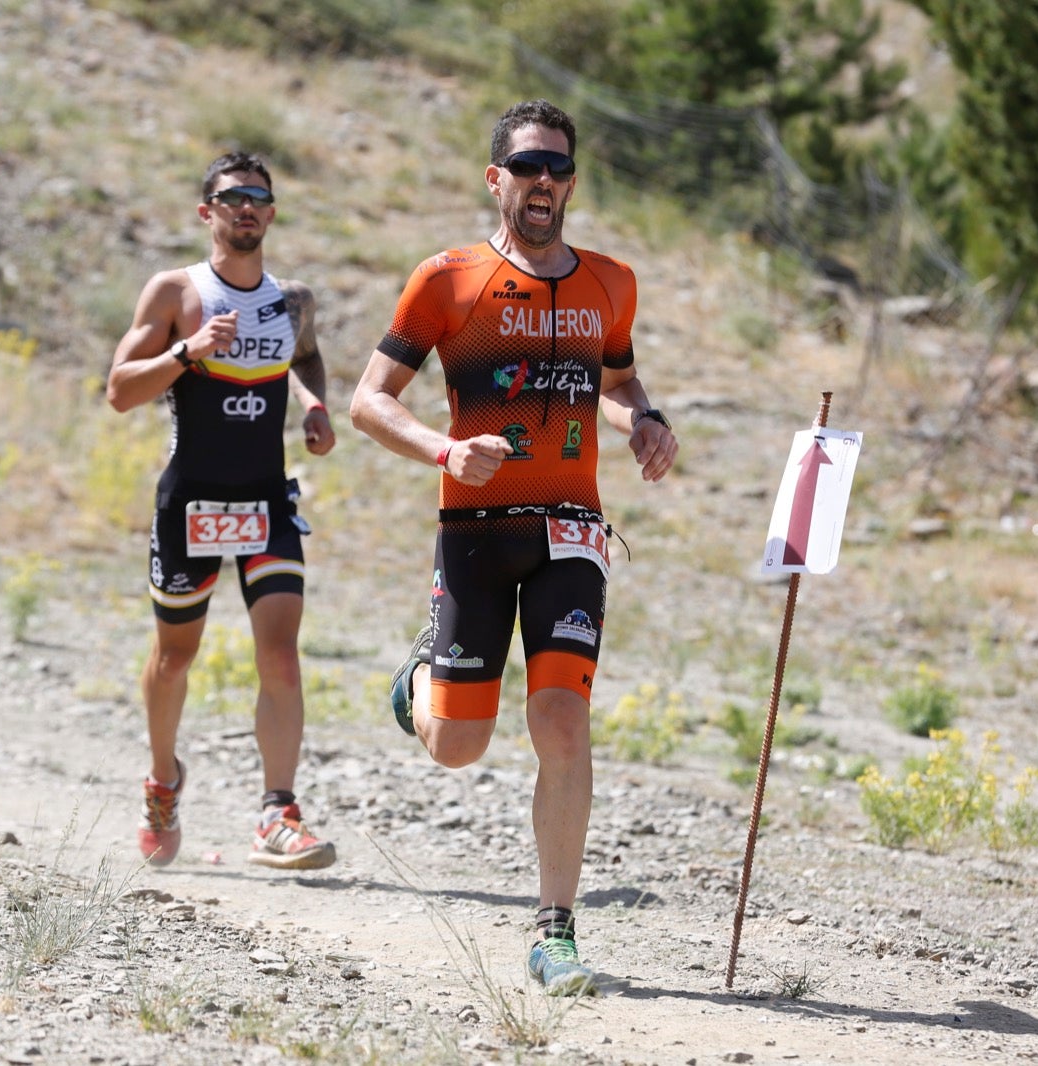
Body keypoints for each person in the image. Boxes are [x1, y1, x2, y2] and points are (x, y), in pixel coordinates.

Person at [350, 100, 678, 995]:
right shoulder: (447, 280)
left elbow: (615, 378)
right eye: (527, 166)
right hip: (474, 534)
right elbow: (370, 401)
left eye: (559, 169)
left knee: (561, 719)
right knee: (458, 745)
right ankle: (418, 680)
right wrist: (447, 450)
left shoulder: (611, 281)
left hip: (571, 532)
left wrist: (644, 419)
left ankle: (556, 932)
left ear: (572, 182)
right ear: (496, 179)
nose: (545, 182)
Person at [107, 151, 338, 872]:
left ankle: (278, 811)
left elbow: (306, 354)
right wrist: (187, 350)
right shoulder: (176, 291)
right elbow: (119, 389)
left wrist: (315, 403)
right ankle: (163, 780)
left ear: (271, 214)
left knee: (280, 653)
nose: (247, 207)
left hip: (266, 497)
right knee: (176, 657)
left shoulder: (292, 298)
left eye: (259, 198)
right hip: (191, 502)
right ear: (206, 211)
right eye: (231, 196)